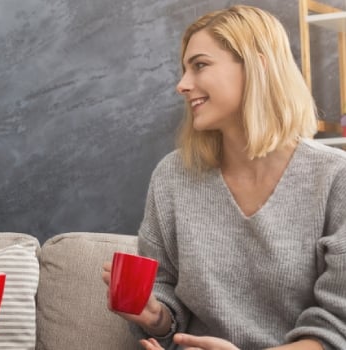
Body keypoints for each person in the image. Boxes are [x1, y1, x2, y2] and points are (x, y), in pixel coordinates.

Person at [101, 5, 346, 350]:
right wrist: (157, 318)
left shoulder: (336, 177)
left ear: (258, 67)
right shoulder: (172, 177)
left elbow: (339, 325)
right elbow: (164, 288)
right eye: (184, 70)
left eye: (199, 65)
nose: (182, 85)